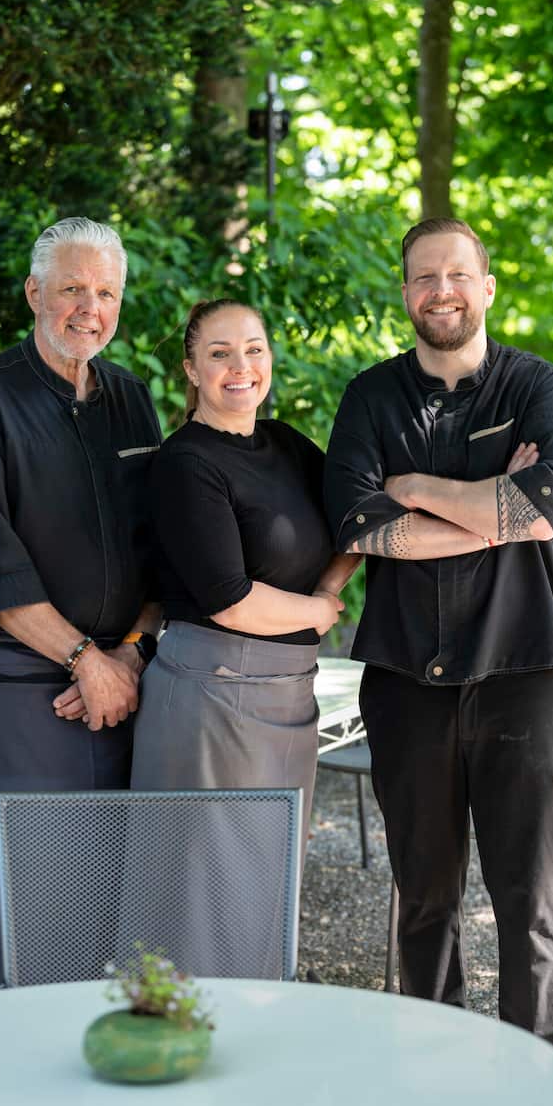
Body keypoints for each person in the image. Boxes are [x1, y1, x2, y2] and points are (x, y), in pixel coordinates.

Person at [324, 217, 553, 1056]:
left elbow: (547, 511)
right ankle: (431, 1085)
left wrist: (413, 485)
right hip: (405, 682)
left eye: (456, 275)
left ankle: (541, 1093)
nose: (441, 291)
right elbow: (359, 527)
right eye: (423, 278)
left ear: (486, 287)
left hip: (524, 672)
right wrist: (490, 512)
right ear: (405, 294)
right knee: (424, 904)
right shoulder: (370, 397)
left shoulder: (539, 388)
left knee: (532, 906)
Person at [0, 216, 162, 993]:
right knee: (22, 877)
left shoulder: (134, 400)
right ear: (35, 293)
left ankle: (98, 1052)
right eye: (71, 289)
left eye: (105, 293)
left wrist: (128, 653)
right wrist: (81, 658)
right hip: (22, 681)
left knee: (116, 881)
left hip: (121, 676)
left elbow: (160, 547)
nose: (88, 308)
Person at [130, 298, 359, 858]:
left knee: (270, 884)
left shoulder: (287, 445)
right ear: (191, 369)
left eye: (253, 350)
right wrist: (317, 612)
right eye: (220, 353)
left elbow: (359, 517)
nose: (241, 367)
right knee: (200, 885)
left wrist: (328, 587)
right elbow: (230, 601)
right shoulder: (184, 464)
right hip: (210, 697)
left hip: (291, 692)